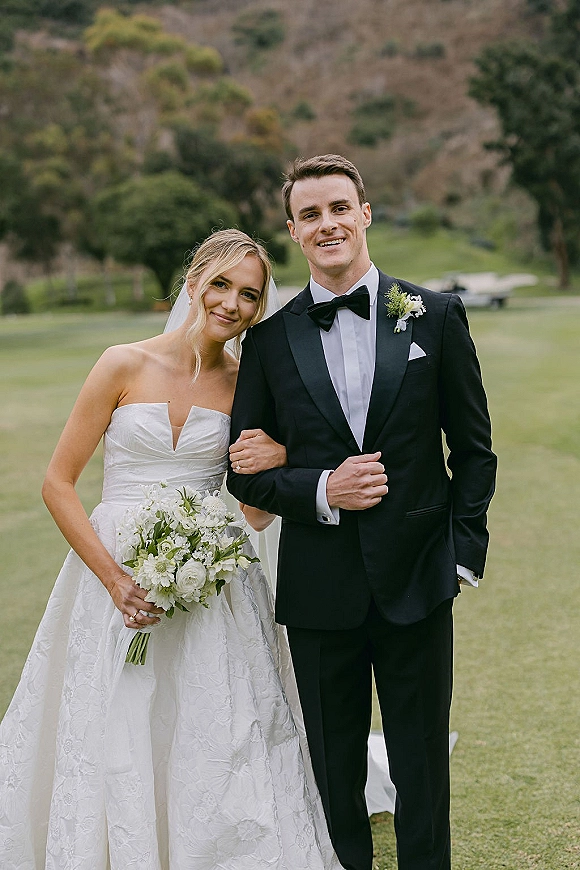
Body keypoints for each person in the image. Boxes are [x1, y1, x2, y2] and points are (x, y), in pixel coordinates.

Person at [0, 229, 342, 869]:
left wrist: (284, 458)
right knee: (118, 719)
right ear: (193, 282)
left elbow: (255, 512)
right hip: (113, 576)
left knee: (217, 725)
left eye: (249, 295)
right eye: (221, 284)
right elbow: (57, 484)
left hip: (212, 580)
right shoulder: (121, 364)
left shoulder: (249, 386)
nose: (232, 304)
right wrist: (114, 580)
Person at [227, 154, 497, 870]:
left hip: (418, 582)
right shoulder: (268, 341)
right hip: (319, 595)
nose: (328, 224)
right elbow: (247, 476)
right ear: (292, 230)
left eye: (339, 208)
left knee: (422, 773)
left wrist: (462, 555)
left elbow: (474, 452)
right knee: (332, 778)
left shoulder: (435, 317)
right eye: (310, 214)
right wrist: (321, 491)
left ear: (365, 213)